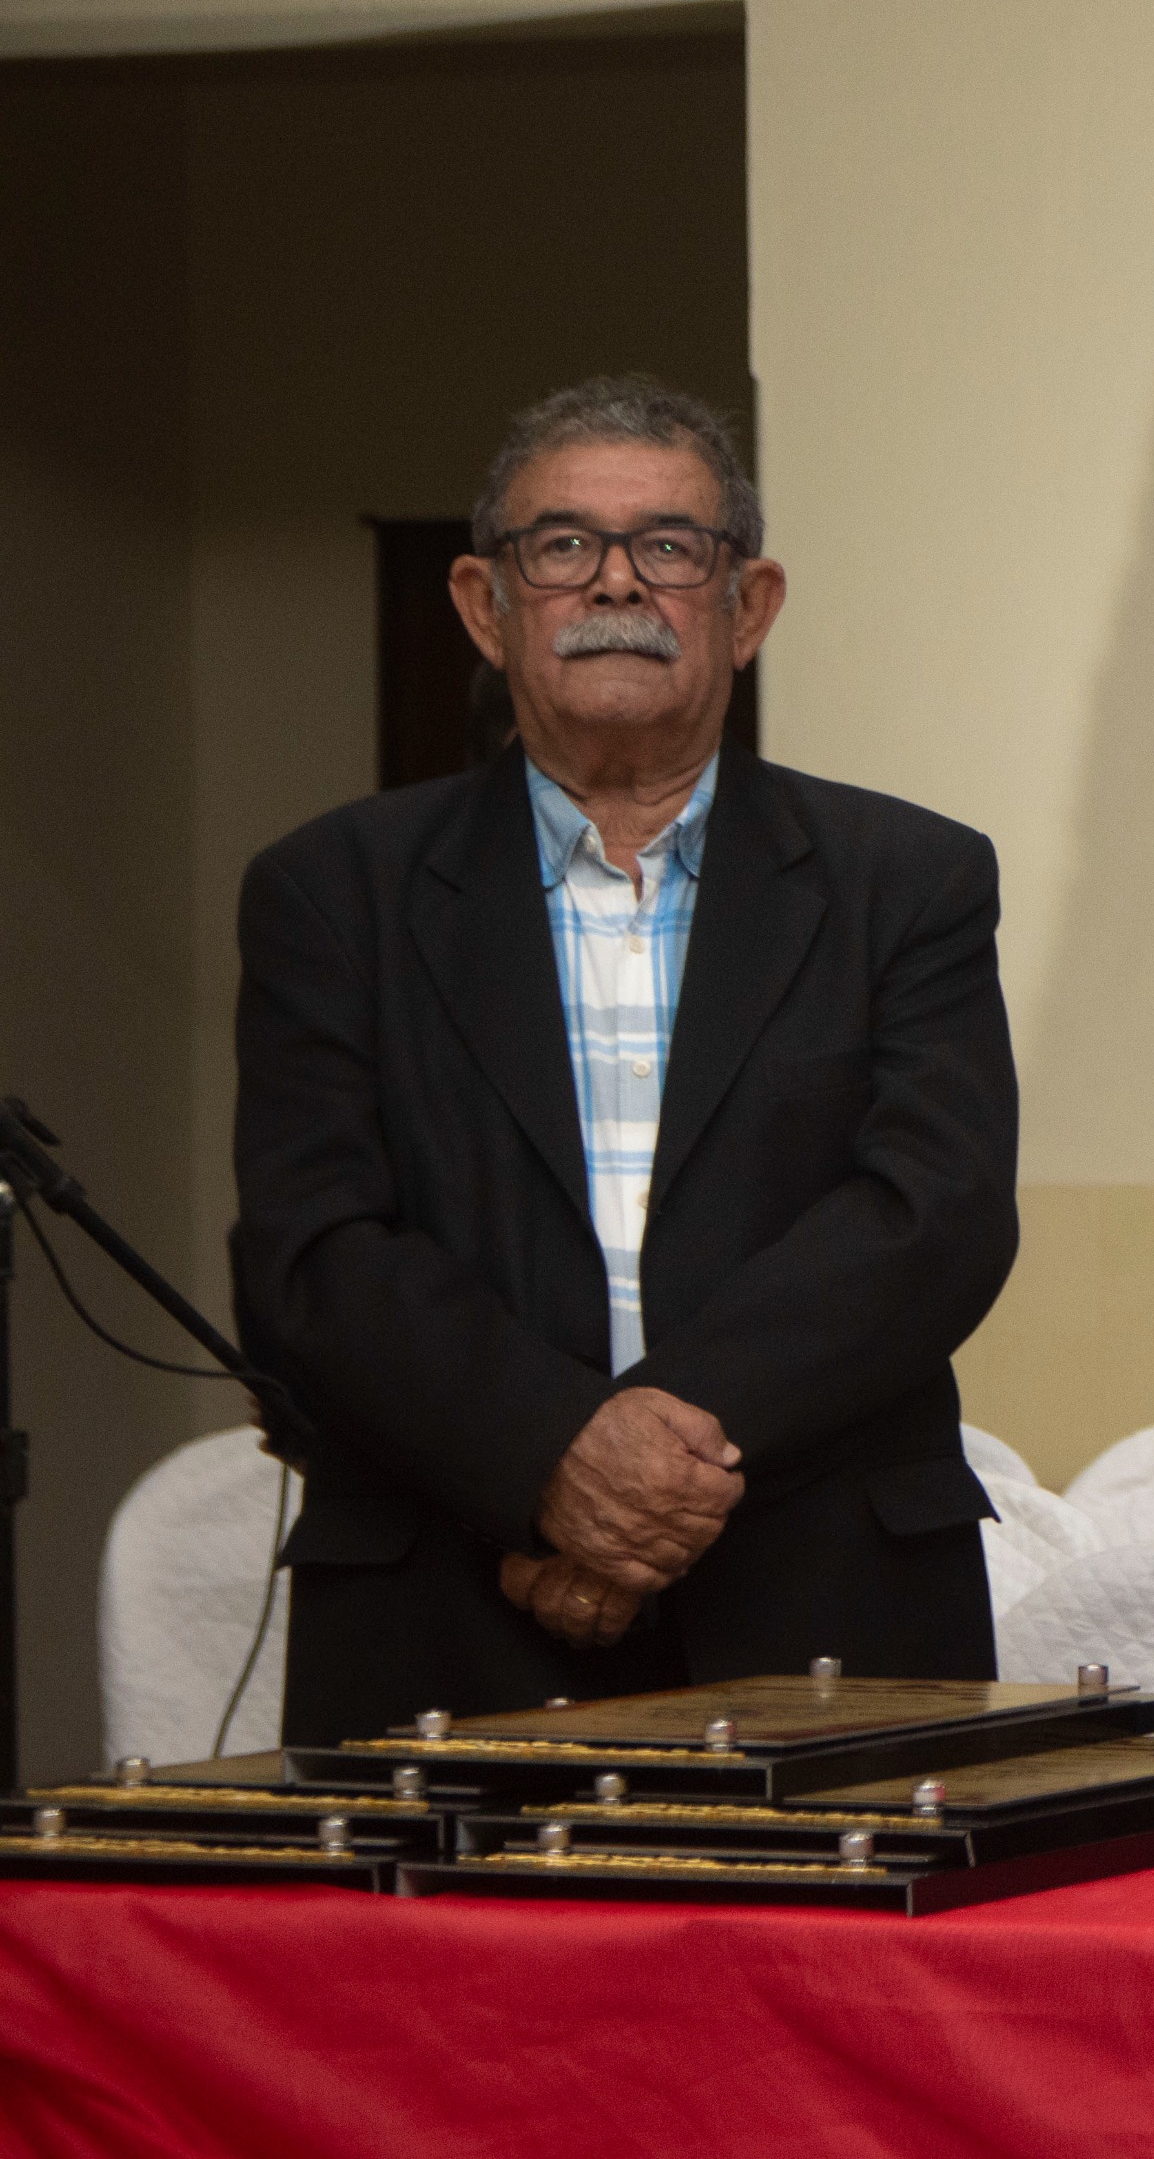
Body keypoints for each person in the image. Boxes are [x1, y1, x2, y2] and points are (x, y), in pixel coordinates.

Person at [234, 376, 1019, 1742]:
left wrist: (646, 1469)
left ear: (747, 605)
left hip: (824, 1605)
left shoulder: (910, 879)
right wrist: (549, 1461)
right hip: (451, 1608)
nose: (615, 582)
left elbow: (932, 1218)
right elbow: (315, 1252)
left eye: (669, 545)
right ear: (484, 605)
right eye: (562, 545)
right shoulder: (329, 891)